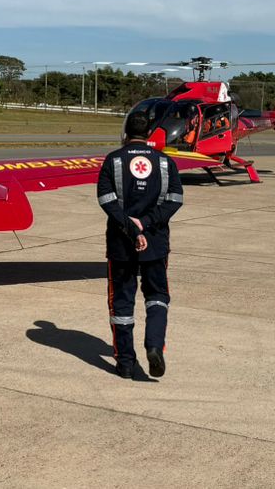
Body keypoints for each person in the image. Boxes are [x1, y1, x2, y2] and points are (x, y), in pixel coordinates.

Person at [97, 109, 184, 379]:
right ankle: (154, 346)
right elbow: (176, 199)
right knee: (157, 297)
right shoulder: (165, 162)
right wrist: (146, 224)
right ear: (149, 133)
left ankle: (125, 363)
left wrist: (132, 227)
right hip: (156, 243)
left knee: (121, 303)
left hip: (122, 244)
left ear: (125, 133)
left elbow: (106, 200)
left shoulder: (114, 160)